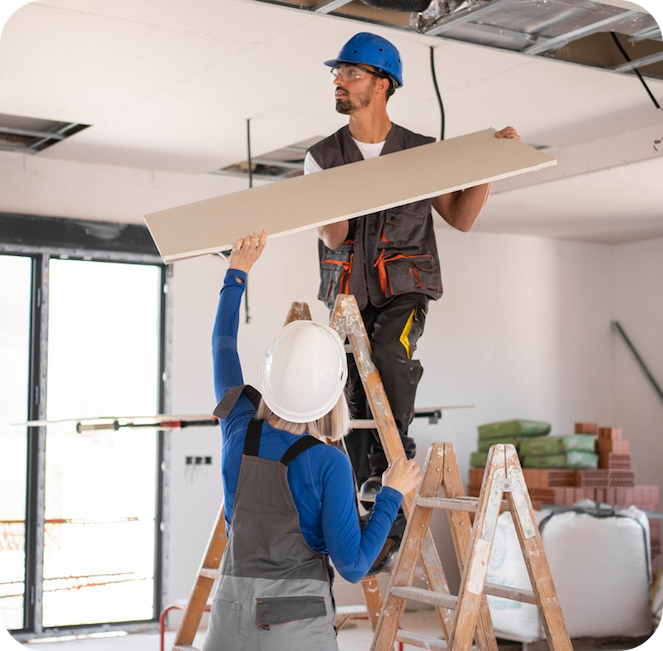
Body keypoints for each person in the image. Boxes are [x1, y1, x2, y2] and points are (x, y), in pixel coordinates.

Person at [305, 32, 520, 526]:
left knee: (387, 354)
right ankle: (373, 519)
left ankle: (394, 457)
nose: (338, 81)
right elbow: (334, 236)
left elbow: (461, 218)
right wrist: (337, 191)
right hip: (347, 297)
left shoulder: (421, 153)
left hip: (406, 287)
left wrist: (488, 167)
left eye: (350, 73)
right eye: (337, 73)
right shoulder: (321, 157)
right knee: (353, 392)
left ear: (382, 85)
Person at [202, 229, 421, 651]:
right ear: (334, 394)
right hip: (295, 630)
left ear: (271, 375)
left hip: (228, 622)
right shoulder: (327, 463)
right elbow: (354, 566)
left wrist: (237, 273)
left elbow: (221, 346)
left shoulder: (238, 427)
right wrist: (391, 493)